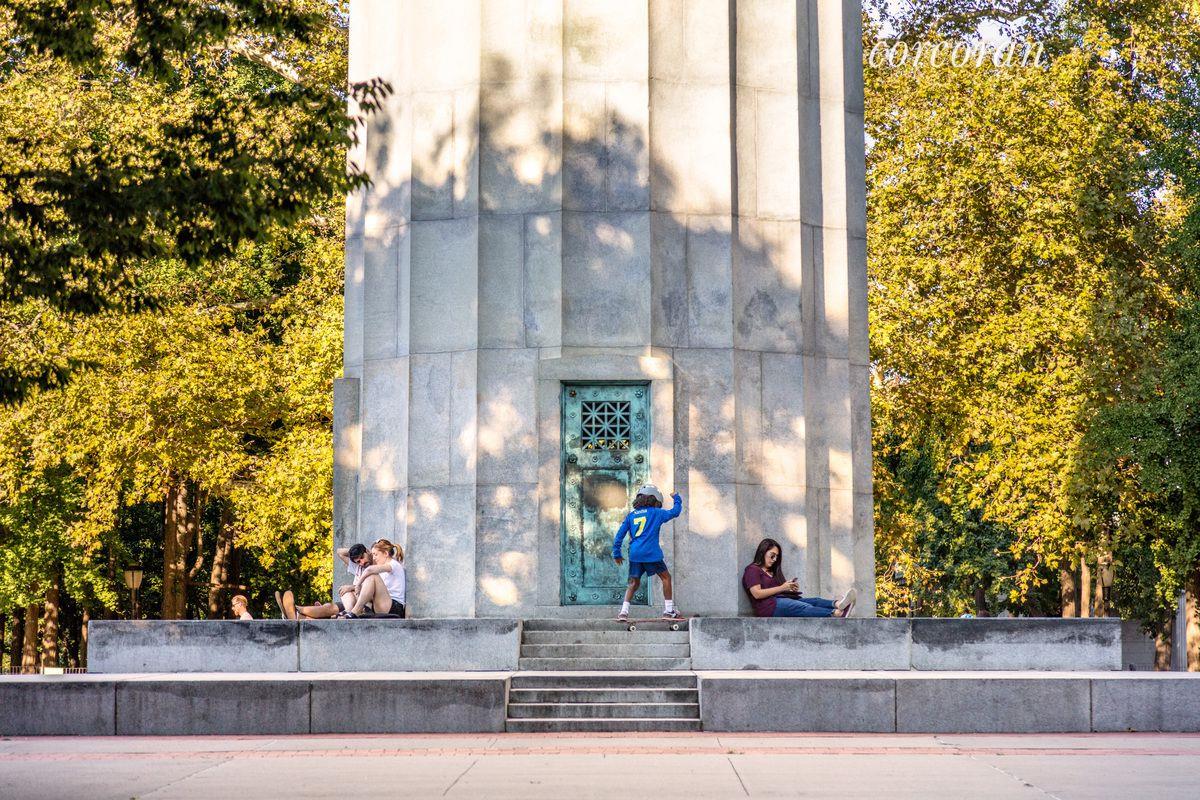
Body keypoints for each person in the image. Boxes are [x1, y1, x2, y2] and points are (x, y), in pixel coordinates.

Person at [612, 484, 684, 622]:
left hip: (635, 554)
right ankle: (669, 611)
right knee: (666, 578)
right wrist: (676, 498)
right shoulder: (657, 513)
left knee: (633, 583)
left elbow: (619, 536)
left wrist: (617, 553)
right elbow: (675, 512)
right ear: (654, 499)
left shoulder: (631, 515)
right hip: (651, 553)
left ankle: (623, 613)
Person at [742, 537, 856, 618]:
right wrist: (782, 587)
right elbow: (757, 594)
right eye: (772, 555)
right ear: (763, 552)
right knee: (804, 607)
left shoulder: (772, 572)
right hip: (768, 608)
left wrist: (789, 588)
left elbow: (778, 591)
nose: (775, 559)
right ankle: (837, 613)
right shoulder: (752, 570)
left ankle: (839, 604)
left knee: (815, 600)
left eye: (777, 557)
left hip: (780, 602)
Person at [276, 543, 372, 620]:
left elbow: (371, 589)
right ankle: (295, 613)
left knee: (330, 609)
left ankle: (295, 611)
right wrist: (357, 551)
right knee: (328, 607)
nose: (362, 562)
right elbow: (340, 552)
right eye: (358, 561)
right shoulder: (359, 567)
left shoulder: (376, 569)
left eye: (362, 557)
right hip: (351, 601)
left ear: (368, 552)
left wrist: (351, 587)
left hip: (362, 604)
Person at [341, 538, 405, 618]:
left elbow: (369, 570)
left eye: (375, 554)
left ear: (385, 553)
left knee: (372, 576)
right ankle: (350, 611)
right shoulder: (382, 569)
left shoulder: (393, 564)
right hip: (382, 604)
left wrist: (358, 584)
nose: (373, 558)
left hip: (394, 607)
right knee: (348, 592)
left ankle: (355, 612)